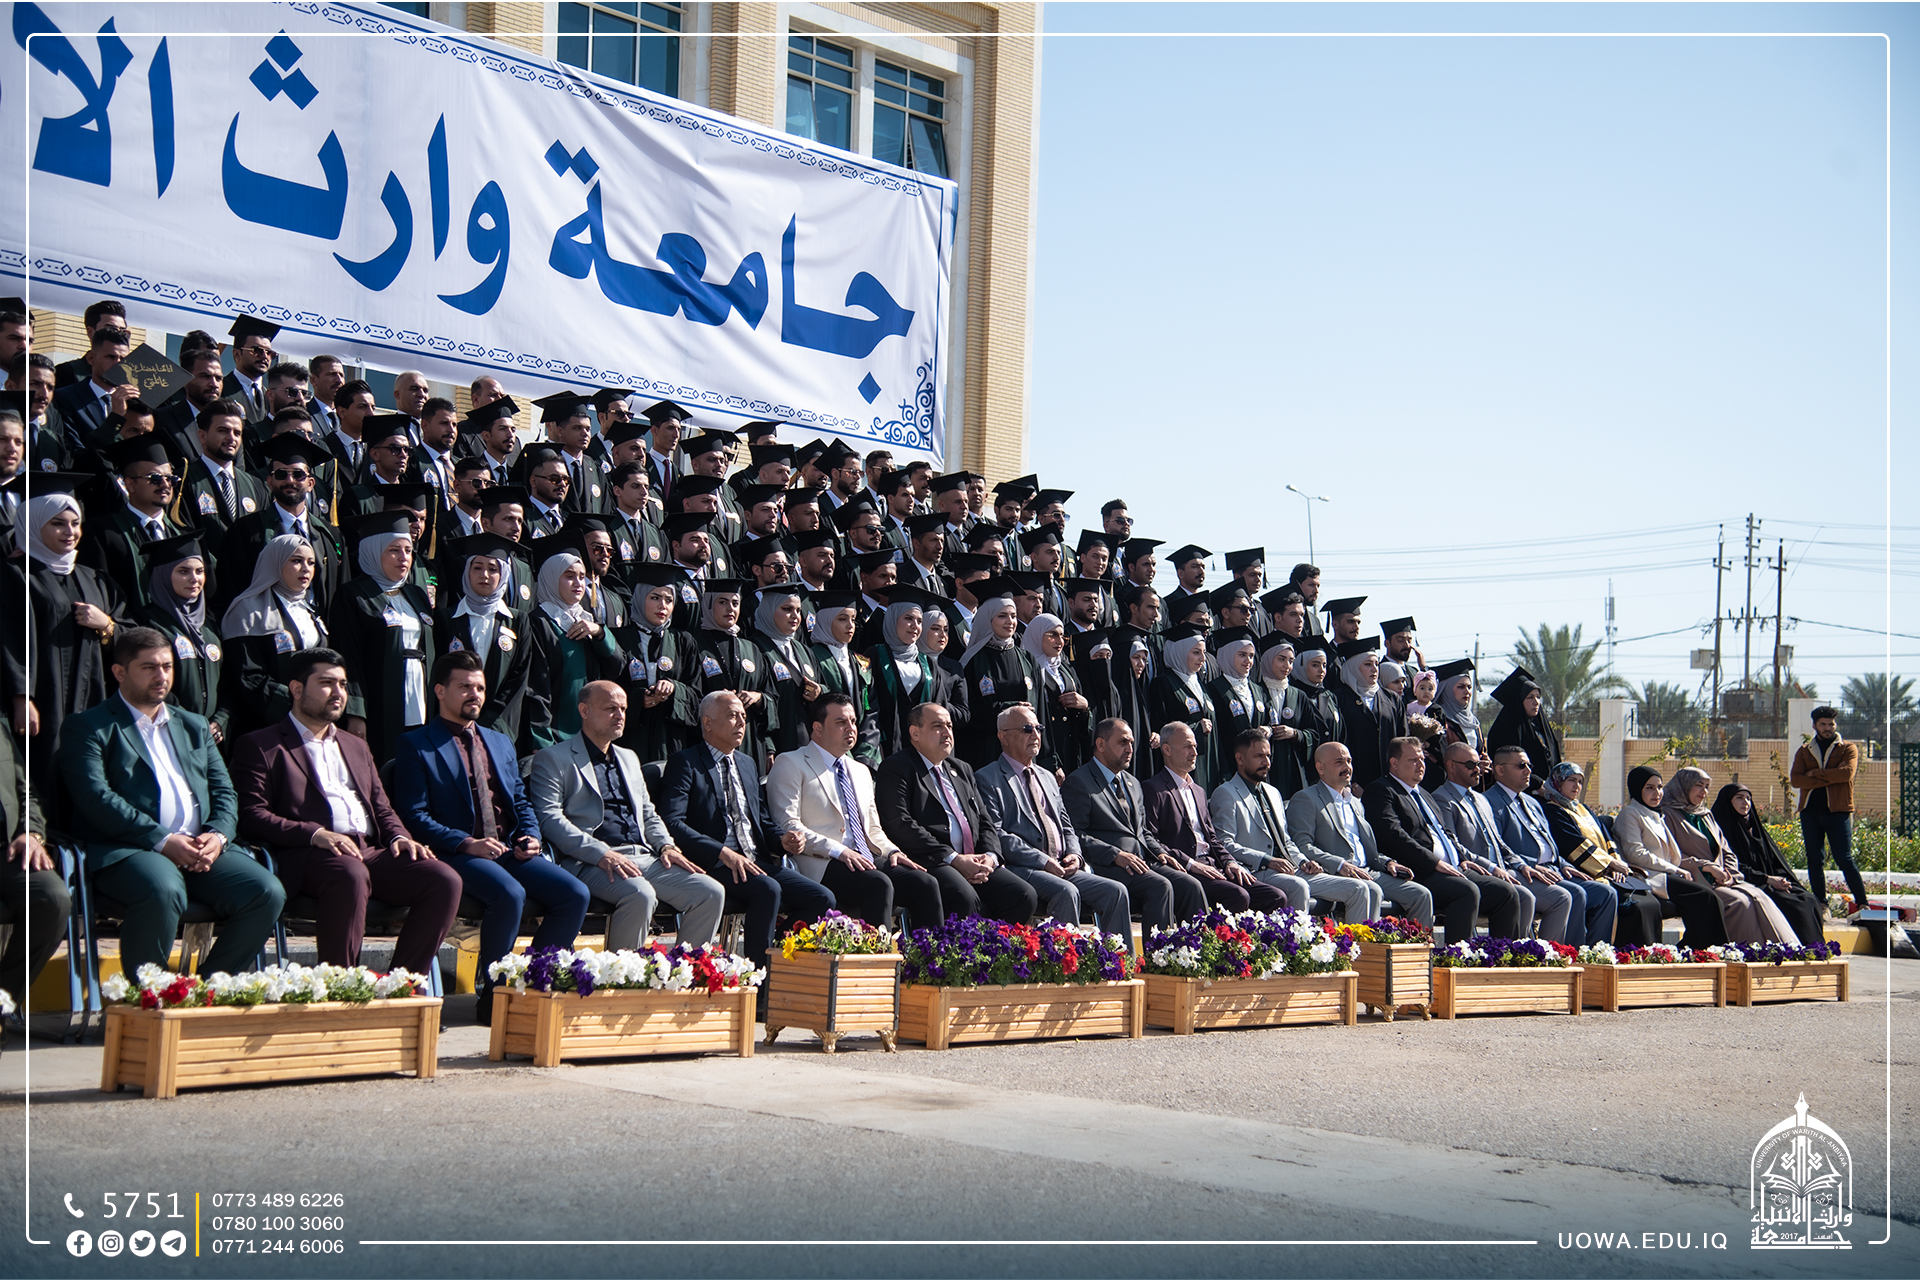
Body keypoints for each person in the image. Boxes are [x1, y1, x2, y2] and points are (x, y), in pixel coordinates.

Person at [58, 627, 285, 977]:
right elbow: (95, 798)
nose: (161, 676)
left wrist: (218, 836)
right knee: (163, 889)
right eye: (149, 667)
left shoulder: (194, 725)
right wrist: (163, 840)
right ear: (119, 672)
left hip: (200, 848)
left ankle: (210, 990)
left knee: (266, 891)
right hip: (130, 850)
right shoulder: (89, 726)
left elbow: (224, 792)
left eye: (167, 666)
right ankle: (153, 995)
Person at [229, 648, 462, 974]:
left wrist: (399, 836)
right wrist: (315, 834)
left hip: (367, 851)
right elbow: (252, 815)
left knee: (444, 879)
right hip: (309, 856)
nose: (338, 692)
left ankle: (401, 984)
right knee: (350, 874)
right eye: (326, 683)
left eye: (342, 684)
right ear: (296, 689)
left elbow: (381, 807)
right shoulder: (261, 745)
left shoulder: (356, 746)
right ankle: (340, 985)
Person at [389, 652, 590, 1024]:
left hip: (507, 849)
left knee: (574, 894)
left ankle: (531, 984)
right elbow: (414, 816)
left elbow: (520, 800)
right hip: (455, 852)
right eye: (464, 687)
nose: (475, 695)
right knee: (509, 894)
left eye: (480, 688)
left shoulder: (499, 741)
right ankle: (495, 996)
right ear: (440, 691)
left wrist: (530, 835)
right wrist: (466, 843)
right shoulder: (416, 744)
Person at [528, 682, 726, 952]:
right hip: (590, 861)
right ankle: (621, 975)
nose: (620, 715)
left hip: (643, 856)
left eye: (623, 709)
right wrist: (601, 853)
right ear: (584, 711)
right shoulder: (553, 758)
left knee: (710, 892)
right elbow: (549, 819)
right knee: (640, 895)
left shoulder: (629, 758)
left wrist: (666, 846)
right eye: (610, 709)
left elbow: (647, 812)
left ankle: (684, 972)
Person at [657, 691, 836, 971]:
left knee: (822, 898)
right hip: (713, 864)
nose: (741, 722)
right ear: (707, 723)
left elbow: (761, 821)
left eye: (743, 716)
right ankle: (757, 977)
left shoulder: (747, 763)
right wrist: (722, 852)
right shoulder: (686, 762)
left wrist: (782, 840)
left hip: (754, 860)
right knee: (767, 889)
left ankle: (774, 956)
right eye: (732, 716)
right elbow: (673, 822)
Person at [767, 692, 938, 930]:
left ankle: (928, 954)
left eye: (853, 721)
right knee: (877, 883)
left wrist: (892, 851)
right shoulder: (791, 762)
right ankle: (875, 953)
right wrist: (840, 851)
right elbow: (788, 825)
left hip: (865, 856)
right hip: (821, 861)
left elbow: (873, 828)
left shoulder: (860, 770)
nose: (850, 728)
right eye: (841, 722)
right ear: (817, 728)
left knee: (924, 883)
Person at [873, 701, 1039, 924]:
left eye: (949, 726)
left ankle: (993, 946)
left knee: (1022, 895)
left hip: (974, 858)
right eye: (937, 726)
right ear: (915, 733)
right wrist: (953, 858)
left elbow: (984, 820)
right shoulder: (898, 767)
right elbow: (899, 823)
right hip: (933, 859)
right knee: (964, 897)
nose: (947, 733)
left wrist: (990, 856)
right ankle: (955, 947)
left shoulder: (961, 768)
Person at [975, 704, 1133, 937]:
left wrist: (1075, 855)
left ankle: (1117, 960)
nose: (1035, 735)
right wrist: (1042, 861)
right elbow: (996, 834)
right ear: (1003, 737)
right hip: (1023, 867)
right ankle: (1065, 959)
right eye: (1027, 729)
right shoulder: (987, 778)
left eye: (1038, 728)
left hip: (1061, 865)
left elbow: (1067, 825)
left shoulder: (1047, 777)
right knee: (1066, 891)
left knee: (1116, 891)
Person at [8, 485, 126, 791]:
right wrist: (22, 697)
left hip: (93, 695)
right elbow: (8, 638)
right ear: (33, 525)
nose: (70, 532)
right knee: (42, 772)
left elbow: (131, 634)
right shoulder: (15, 575)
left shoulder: (93, 577)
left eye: (75, 523)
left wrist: (106, 625)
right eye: (58, 523)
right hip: (43, 697)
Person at [1364, 736, 1523, 945]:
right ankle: (1456, 956)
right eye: (1413, 760)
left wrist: (1462, 858)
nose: (1421, 764)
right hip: (1419, 870)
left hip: (1452, 867)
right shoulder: (1382, 790)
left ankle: (1500, 956)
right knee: (1466, 892)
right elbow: (1393, 835)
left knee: (1506, 893)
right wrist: (1434, 862)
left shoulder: (1424, 794)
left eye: (1422, 759)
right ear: (1394, 763)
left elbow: (1445, 833)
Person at [1061, 717, 1205, 929]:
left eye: (1131, 742)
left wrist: (1160, 853)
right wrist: (1114, 854)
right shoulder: (1079, 781)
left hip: (1142, 861)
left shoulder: (1133, 783)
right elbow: (1075, 834)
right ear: (1100, 744)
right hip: (1108, 865)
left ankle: (1195, 948)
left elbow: (1142, 831)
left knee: (1191, 885)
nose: (1130, 749)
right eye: (1123, 742)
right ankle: (1158, 950)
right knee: (1160, 886)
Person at [1284, 740, 1433, 929]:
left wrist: (1387, 863)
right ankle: (1358, 946)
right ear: (1320, 768)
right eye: (1339, 762)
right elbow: (1302, 845)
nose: (1347, 767)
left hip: (1367, 871)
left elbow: (1365, 849)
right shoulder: (1306, 798)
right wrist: (1339, 864)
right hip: (1334, 873)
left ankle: (1419, 947)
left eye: (1349, 761)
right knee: (1371, 890)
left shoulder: (1355, 802)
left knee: (1421, 895)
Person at [1431, 741, 1572, 943]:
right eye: (1470, 765)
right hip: (1477, 871)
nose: (1477, 770)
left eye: (1479, 764)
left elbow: (1499, 843)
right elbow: (1453, 845)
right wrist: (1490, 867)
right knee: (1524, 897)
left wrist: (1522, 865)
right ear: (1451, 766)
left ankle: (1538, 955)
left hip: (1503, 869)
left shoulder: (1480, 799)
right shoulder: (1442, 798)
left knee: (1561, 896)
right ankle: (1514, 953)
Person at [1145, 723, 1287, 912]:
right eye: (1187, 746)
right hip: (1185, 868)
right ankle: (1221, 932)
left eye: (1195, 746)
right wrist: (1190, 864)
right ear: (1167, 749)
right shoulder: (1152, 789)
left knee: (1275, 897)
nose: (1195, 752)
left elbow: (1212, 838)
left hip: (1213, 865)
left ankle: (1256, 933)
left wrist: (1230, 862)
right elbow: (1151, 839)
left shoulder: (1199, 791)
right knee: (1238, 896)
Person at [1484, 746, 1618, 946]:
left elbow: (1549, 844)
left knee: (1606, 893)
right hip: (1523, 872)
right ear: (1500, 769)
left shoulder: (1532, 802)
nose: (1528, 771)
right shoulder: (1489, 802)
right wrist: (1530, 864)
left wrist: (1563, 864)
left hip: (1553, 869)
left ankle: (1594, 954)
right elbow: (1497, 846)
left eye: (1529, 765)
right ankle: (1563, 953)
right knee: (1575, 894)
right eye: (1521, 765)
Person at [330, 512, 435, 763]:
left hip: (421, 703)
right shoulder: (353, 595)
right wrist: (356, 713)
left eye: (408, 550)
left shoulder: (416, 594)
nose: (404, 558)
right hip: (379, 705)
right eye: (393, 550)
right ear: (373, 552)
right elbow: (348, 657)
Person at [1659, 767, 1799, 944]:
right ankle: (1739, 952)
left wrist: (1730, 874)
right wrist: (1707, 867)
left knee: (1759, 896)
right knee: (1739, 902)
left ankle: (1785, 949)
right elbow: (1669, 855)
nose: (1704, 792)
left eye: (1707, 787)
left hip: (1723, 879)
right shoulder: (1667, 815)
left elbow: (1726, 850)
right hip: (1696, 880)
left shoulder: (1705, 815)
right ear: (1684, 786)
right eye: (1699, 785)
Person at [1539, 761, 1664, 945]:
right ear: (1558, 781)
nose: (1577, 786)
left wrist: (1616, 863)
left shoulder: (1583, 808)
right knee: (1633, 906)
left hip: (1609, 871)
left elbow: (1607, 840)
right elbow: (1573, 845)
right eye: (1571, 780)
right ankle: (1612, 951)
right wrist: (1608, 865)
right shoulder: (1552, 810)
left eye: (1580, 781)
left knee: (1648, 902)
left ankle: (1647, 953)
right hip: (1583, 871)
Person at [218, 535, 330, 741]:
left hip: (312, 723)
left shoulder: (309, 609)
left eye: (311, 562)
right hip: (267, 728)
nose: (306, 568)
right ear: (275, 562)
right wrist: (298, 707)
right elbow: (248, 676)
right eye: (296, 560)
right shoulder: (248, 610)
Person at [434, 532, 538, 746]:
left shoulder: (518, 621)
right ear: (467, 572)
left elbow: (518, 678)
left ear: (504, 574)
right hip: (453, 729)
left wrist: (490, 722)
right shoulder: (446, 619)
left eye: (493, 569)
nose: (485, 575)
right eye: (477, 567)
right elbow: (440, 674)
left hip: (500, 730)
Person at [1611, 766, 1730, 950]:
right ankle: (1705, 951)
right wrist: (1674, 869)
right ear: (1637, 788)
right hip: (1648, 875)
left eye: (1659, 787)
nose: (1657, 793)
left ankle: (1697, 950)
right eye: (1649, 788)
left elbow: (1672, 854)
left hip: (1666, 874)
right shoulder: (1630, 814)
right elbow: (1635, 853)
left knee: (1708, 899)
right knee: (1705, 898)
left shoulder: (1656, 813)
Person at [522, 544, 624, 752]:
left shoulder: (587, 621)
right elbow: (536, 689)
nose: (578, 583)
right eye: (569, 576)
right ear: (551, 578)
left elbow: (617, 667)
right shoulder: (538, 624)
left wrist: (600, 633)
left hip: (591, 735)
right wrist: (542, 742)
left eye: (582, 576)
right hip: (555, 738)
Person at [0, 727, 70, 1018]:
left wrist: (30, 833)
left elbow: (25, 791)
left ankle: (3, 1001)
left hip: (6, 850)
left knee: (52, 899)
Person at [133, 532, 228, 742]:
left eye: (199, 571)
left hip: (210, 738)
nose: (194, 579)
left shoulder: (209, 625)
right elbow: (149, 682)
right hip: (165, 733)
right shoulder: (148, 623)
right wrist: (191, 722)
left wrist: (220, 720)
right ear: (163, 574)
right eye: (184, 571)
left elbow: (227, 680)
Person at [1712, 782, 1827, 947]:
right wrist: (1767, 879)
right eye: (1739, 798)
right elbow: (1731, 865)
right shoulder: (1722, 828)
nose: (1745, 802)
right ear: (1728, 801)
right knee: (1793, 905)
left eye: (1748, 798)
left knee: (1807, 898)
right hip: (1747, 882)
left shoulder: (1755, 828)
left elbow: (1774, 860)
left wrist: (1782, 880)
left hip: (1770, 881)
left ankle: (1816, 949)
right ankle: (1797, 949)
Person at [616, 565, 700, 766]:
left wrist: (674, 688)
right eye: (655, 597)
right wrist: (638, 700)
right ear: (639, 598)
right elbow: (606, 687)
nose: (663, 606)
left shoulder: (684, 642)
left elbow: (697, 698)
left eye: (669, 600)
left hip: (671, 741)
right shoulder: (619, 639)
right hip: (630, 740)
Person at [1789, 705, 1870, 913]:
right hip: (1810, 813)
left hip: (1838, 812)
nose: (1827, 728)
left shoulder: (1847, 748)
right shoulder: (1804, 751)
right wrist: (1830, 776)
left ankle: (1863, 903)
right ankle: (1821, 905)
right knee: (1815, 860)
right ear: (1814, 725)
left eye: (1831, 724)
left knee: (1844, 858)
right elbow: (1796, 780)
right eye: (1823, 724)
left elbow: (1847, 774)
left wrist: (1815, 773)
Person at [957, 590, 1039, 767]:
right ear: (987, 619)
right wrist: (1008, 710)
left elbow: (1041, 711)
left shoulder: (1027, 659)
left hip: (1026, 752)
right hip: (987, 752)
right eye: (1002, 616)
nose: (1010, 621)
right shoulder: (971, 661)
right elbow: (967, 711)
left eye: (1013, 616)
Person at [808, 592, 883, 769]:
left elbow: (871, 711)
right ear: (826, 620)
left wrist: (865, 753)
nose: (850, 625)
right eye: (842, 619)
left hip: (862, 753)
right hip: (826, 752)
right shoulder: (811, 658)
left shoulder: (860, 661)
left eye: (853, 619)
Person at [749, 583, 824, 756]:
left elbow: (824, 687)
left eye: (798, 610)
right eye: (787, 609)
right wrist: (768, 748)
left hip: (811, 746)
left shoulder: (804, 650)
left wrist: (819, 692)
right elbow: (756, 704)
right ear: (769, 610)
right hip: (778, 747)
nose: (795, 616)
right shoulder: (755, 649)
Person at [1019, 612, 1093, 779]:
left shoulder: (1065, 669)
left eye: (1062, 636)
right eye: (1052, 635)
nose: (1060, 641)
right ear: (1037, 635)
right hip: (1043, 751)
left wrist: (1084, 707)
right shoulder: (1027, 669)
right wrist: (1051, 761)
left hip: (1070, 748)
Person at [1147, 624, 1217, 790]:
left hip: (1207, 766)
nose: (1202, 658)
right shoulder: (1163, 684)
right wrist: (1196, 728)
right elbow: (1162, 729)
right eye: (1196, 652)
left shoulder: (1201, 685)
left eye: (1204, 652)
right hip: (1180, 770)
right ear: (1180, 651)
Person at [1333, 638, 1404, 789]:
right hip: (1356, 783)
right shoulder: (1338, 699)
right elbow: (1337, 741)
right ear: (1353, 667)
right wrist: (1352, 782)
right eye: (1368, 664)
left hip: (1391, 781)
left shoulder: (1391, 698)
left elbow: (1402, 739)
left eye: (1376, 664)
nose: (1374, 669)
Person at [1253, 635, 1315, 798]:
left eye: (1291, 661)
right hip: (1265, 769)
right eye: (1281, 659)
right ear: (1268, 659)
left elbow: (1314, 734)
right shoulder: (1254, 691)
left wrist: (1295, 733)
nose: (1287, 666)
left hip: (1293, 769)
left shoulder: (1299, 696)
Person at [1204, 628, 1268, 784]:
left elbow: (1266, 720)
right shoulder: (1213, 689)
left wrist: (1268, 729)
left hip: (1256, 769)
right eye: (1242, 655)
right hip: (1228, 765)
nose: (1248, 661)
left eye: (1251, 656)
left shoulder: (1258, 690)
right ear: (1227, 654)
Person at [1488, 667, 1561, 780]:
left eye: (1538, 697)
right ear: (1519, 701)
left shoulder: (1542, 727)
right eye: (1530, 697)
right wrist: (1536, 783)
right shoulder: (1506, 729)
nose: (1536, 702)